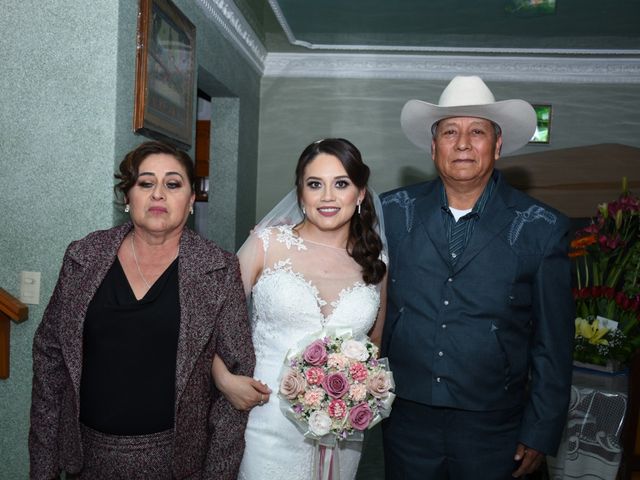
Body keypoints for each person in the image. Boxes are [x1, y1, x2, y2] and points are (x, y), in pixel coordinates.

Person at [380, 76, 575, 480]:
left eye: (478, 131)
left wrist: (541, 430)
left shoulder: (542, 226)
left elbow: (554, 343)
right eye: (450, 131)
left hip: (497, 427)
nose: (463, 143)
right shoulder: (391, 212)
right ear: (433, 147)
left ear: (497, 145)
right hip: (406, 420)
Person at [29, 140, 255, 480]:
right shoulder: (83, 256)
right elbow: (50, 360)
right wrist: (43, 469)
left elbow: (235, 386)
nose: (158, 194)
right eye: (146, 183)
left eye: (173, 184)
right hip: (86, 459)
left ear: (191, 200)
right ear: (127, 197)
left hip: (177, 464)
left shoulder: (219, 269)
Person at [211, 138, 388, 480]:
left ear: (360, 193)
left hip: (342, 429)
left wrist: (356, 395)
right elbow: (210, 321)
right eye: (314, 184)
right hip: (266, 418)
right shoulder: (267, 244)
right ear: (300, 192)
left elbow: (374, 345)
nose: (327, 197)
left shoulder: (376, 263)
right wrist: (224, 379)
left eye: (341, 184)